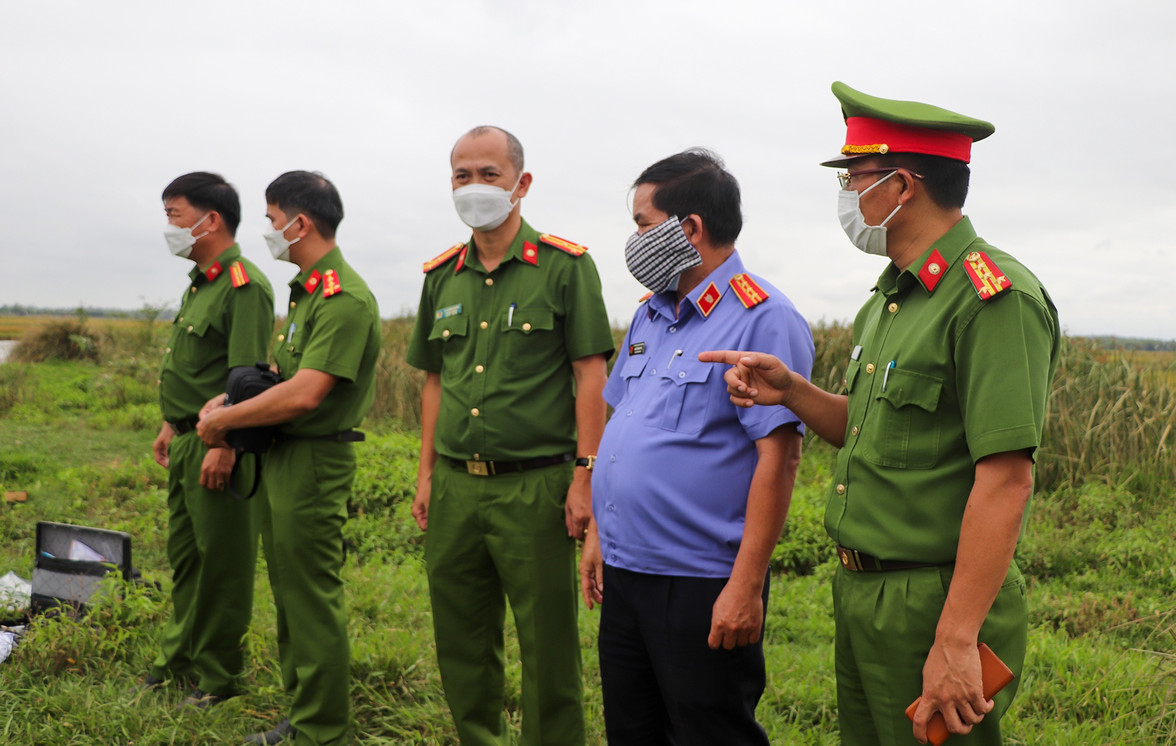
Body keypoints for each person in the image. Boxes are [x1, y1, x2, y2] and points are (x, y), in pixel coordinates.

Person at [701, 82, 1061, 745]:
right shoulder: (891, 298)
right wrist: (795, 392)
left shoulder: (992, 298)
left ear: (900, 186)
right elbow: (873, 431)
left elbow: (1006, 478)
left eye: (854, 178)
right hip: (862, 594)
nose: (846, 196)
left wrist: (955, 639)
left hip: (933, 601)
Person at [580, 149, 815, 745]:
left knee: (710, 733)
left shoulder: (764, 318)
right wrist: (599, 534)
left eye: (641, 223)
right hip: (627, 573)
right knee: (633, 731)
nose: (633, 239)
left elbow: (779, 458)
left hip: (700, 581)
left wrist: (745, 585)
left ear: (689, 229)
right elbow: (623, 428)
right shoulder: (650, 316)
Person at [406, 125, 613, 746]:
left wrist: (585, 476)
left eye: (488, 174)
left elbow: (590, 375)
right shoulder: (441, 276)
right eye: (461, 175)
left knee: (547, 644)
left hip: (536, 488)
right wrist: (424, 476)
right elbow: (435, 382)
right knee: (461, 638)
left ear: (520, 184)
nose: (475, 187)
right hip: (454, 487)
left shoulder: (564, 268)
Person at [197, 170, 381, 746]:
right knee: (288, 591)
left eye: (274, 220)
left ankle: (323, 729)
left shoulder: (343, 298)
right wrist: (229, 399)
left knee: (310, 595)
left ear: (300, 223)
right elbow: (280, 378)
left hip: (314, 461)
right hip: (283, 458)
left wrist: (222, 423)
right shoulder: (307, 291)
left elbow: (307, 393)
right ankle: (303, 712)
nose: (270, 230)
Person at [146, 171, 273, 709]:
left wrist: (225, 444)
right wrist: (171, 424)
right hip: (185, 438)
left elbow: (244, 379)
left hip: (217, 442)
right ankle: (177, 657)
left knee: (222, 563)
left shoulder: (243, 286)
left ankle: (217, 678)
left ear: (210, 219)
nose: (169, 227)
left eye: (174, 215)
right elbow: (196, 369)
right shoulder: (202, 282)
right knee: (187, 558)